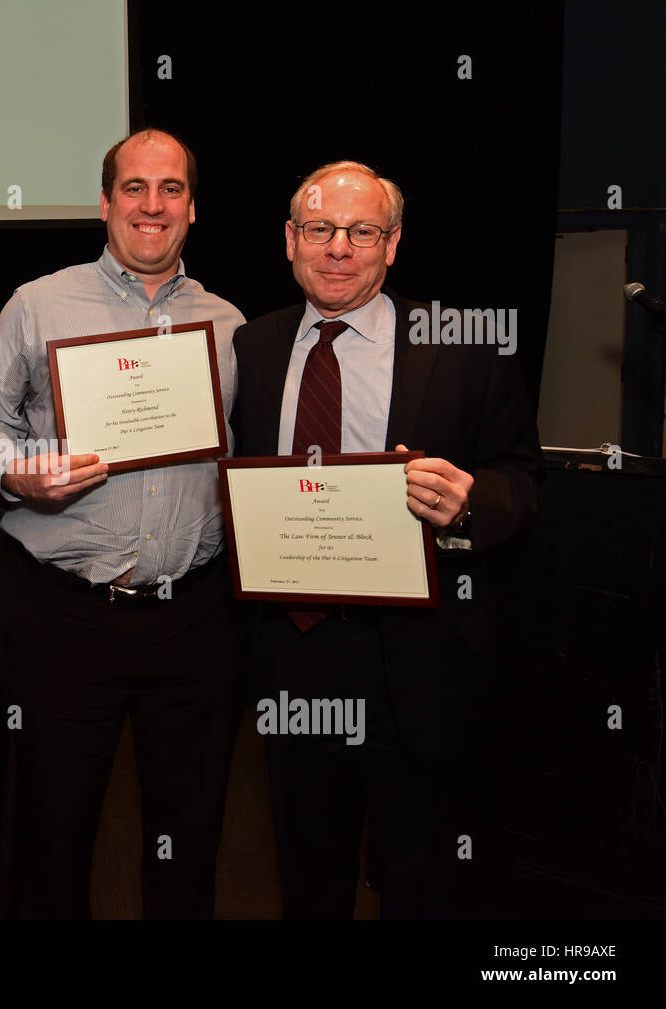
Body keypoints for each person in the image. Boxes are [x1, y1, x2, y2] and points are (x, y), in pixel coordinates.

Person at [230, 161, 544, 918]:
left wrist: (469, 504)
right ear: (289, 240)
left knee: (422, 878)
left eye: (361, 231)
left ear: (392, 244)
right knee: (307, 873)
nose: (338, 247)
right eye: (319, 229)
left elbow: (523, 478)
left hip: (419, 655)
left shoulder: (463, 345)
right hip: (293, 652)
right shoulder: (254, 347)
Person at [0, 129, 245, 918]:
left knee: (190, 841)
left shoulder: (229, 323)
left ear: (192, 206)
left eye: (171, 189)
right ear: (105, 201)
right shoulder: (38, 301)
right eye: (135, 187)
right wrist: (16, 472)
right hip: (66, 617)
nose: (152, 205)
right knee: (51, 842)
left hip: (195, 616)